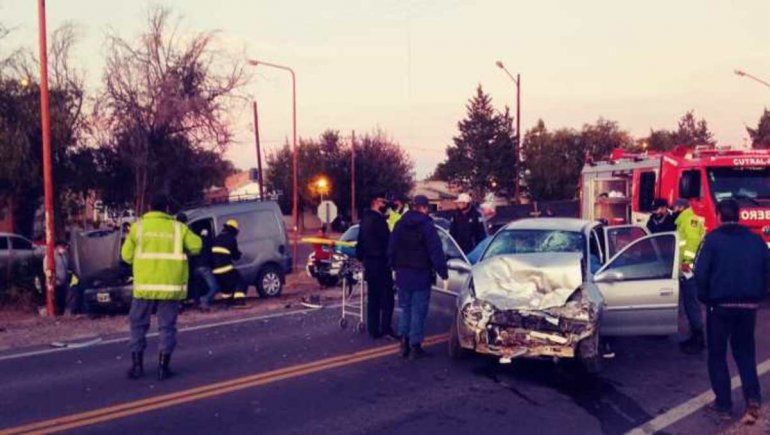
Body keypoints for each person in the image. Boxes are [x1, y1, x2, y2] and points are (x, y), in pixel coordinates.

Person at [695, 199, 768, 424]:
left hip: (720, 307)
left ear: (718, 215)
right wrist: (758, 296)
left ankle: (724, 404)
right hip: (748, 307)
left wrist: (706, 298)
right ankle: (753, 399)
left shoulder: (712, 241)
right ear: (740, 215)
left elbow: (701, 273)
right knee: (745, 354)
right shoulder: (756, 241)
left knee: (717, 356)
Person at [121, 194, 202, 380]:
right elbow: (197, 246)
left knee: (138, 325)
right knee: (167, 327)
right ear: (167, 208)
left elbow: (126, 256)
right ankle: (163, 368)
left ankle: (137, 367)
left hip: (144, 287)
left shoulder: (138, 228)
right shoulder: (178, 228)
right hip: (170, 287)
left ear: (149, 207)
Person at [389, 195, 448, 360]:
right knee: (418, 311)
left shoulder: (400, 224)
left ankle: (403, 344)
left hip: (403, 274)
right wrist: (443, 272)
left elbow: (391, 247)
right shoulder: (427, 226)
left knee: (405, 309)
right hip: (421, 274)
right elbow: (435, 251)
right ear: (423, 207)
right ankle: (415, 346)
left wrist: (393, 266)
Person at [356, 192, 395, 339]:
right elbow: (387, 242)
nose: (385, 205)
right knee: (387, 298)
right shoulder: (379, 221)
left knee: (373, 297)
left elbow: (360, 242)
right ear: (375, 202)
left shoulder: (365, 219)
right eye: (382, 202)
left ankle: (373, 329)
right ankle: (385, 328)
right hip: (380, 263)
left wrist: (361, 258)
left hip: (369, 263)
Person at [673, 198, 706, 353]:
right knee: (688, 303)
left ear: (681, 207)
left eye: (676, 207)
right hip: (685, 269)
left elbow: (692, 244)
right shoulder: (683, 220)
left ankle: (698, 339)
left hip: (688, 270)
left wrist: (687, 264)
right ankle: (695, 336)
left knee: (691, 303)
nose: (674, 210)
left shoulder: (689, 220)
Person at [211, 220, 246, 303]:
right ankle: (239, 301)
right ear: (233, 230)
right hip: (226, 268)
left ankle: (228, 301)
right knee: (241, 281)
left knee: (226, 287)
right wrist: (239, 254)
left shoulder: (217, 238)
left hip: (215, 271)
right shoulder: (231, 239)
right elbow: (235, 256)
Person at [196, 228, 220, 311]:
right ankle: (204, 301)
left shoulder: (197, 241)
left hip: (196, 268)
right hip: (204, 267)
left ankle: (199, 301)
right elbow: (212, 255)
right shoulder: (209, 242)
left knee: (200, 286)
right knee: (215, 287)